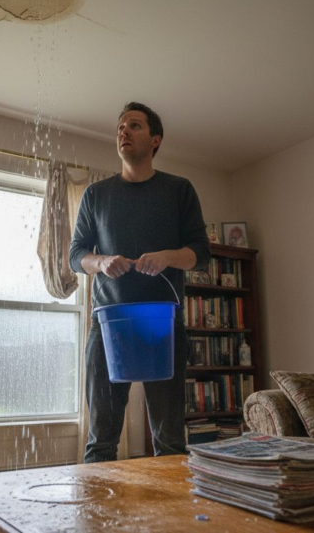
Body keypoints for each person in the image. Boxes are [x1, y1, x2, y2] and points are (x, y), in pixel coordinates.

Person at [69, 102, 210, 463]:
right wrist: (100, 261)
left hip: (162, 327)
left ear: (155, 139)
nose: (123, 131)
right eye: (120, 126)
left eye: (134, 125)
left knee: (170, 441)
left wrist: (166, 256)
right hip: (108, 327)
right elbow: (75, 256)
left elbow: (200, 252)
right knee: (101, 441)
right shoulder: (95, 195)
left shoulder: (179, 189)